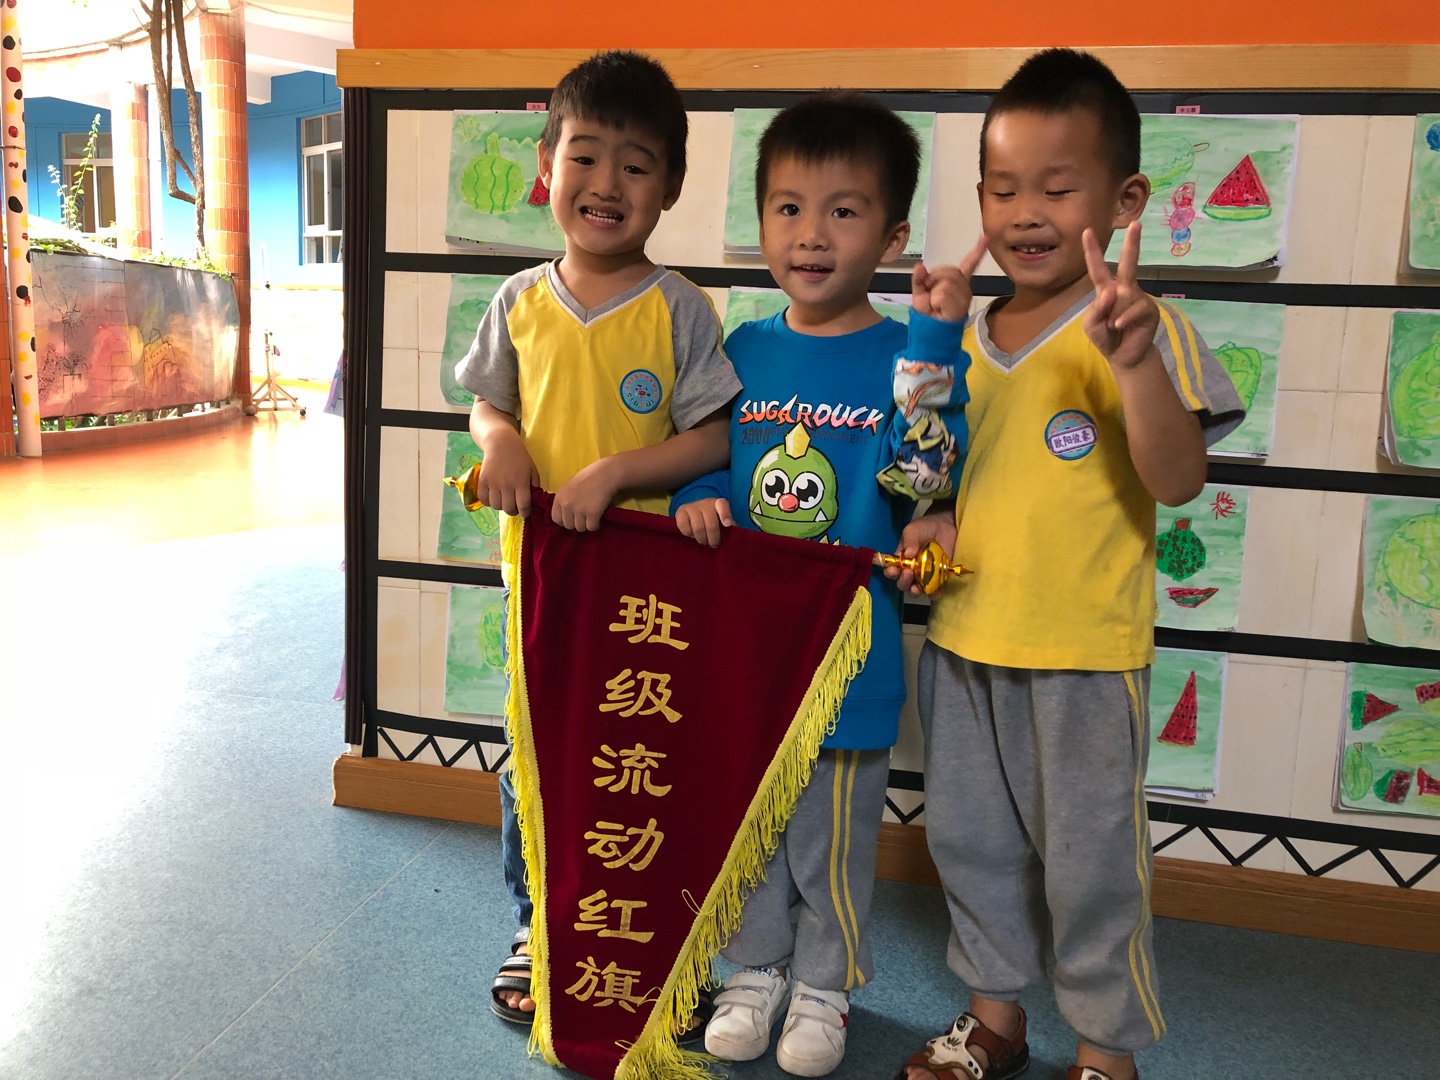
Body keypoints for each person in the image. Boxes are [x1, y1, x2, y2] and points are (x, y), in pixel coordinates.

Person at [892, 49, 1245, 1080]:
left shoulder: (1138, 327)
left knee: (1091, 869)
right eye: (1003, 189)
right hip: (963, 646)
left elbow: (1177, 480)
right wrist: (932, 511)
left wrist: (1133, 363)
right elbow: (931, 474)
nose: (1025, 213)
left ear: (1125, 201)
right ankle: (993, 1020)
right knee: (972, 846)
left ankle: (1104, 1050)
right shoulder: (962, 337)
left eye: (1056, 187)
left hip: (1086, 661)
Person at [673, 92, 980, 1078]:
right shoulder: (744, 348)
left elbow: (921, 477)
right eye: (789, 208)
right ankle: (754, 968)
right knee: (749, 823)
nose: (811, 234)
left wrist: (933, 344)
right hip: (748, 654)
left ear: (891, 237)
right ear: (762, 221)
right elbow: (704, 453)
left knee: (833, 834)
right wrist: (699, 495)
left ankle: (823, 985)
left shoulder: (908, 355)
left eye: (843, 211)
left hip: (854, 654)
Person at [452, 49, 741, 1031]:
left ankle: (665, 936)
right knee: (538, 753)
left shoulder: (681, 308)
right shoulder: (519, 302)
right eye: (584, 156)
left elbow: (713, 436)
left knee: (646, 760)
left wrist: (619, 472)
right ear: (546, 166)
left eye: (636, 164)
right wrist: (501, 443)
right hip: (541, 581)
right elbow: (487, 408)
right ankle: (539, 923)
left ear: (671, 188)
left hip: (651, 594)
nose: (606, 183)